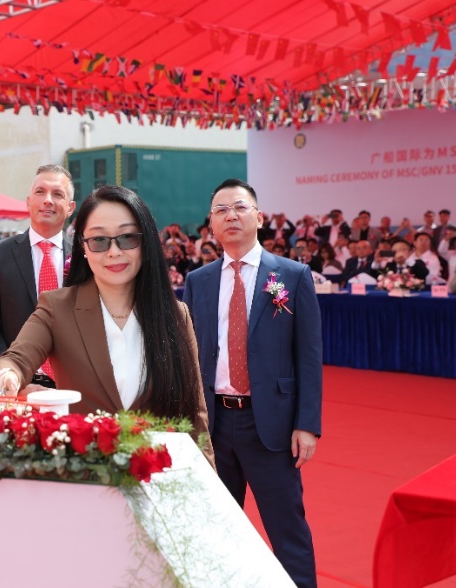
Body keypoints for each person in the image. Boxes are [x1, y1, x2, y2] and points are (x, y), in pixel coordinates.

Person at [0, 185, 214, 468]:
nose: (113, 252)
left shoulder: (175, 315)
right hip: (85, 478)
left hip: (160, 478)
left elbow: (196, 415)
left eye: (127, 238)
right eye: (99, 240)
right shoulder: (56, 308)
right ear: (83, 247)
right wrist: (9, 378)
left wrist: (209, 488)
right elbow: (15, 359)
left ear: (145, 243)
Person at [183, 178, 322, 588]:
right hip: (214, 426)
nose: (231, 216)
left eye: (239, 207)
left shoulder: (292, 276)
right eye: (221, 210)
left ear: (259, 217)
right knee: (214, 529)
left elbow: (309, 356)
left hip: (272, 426)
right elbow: (188, 354)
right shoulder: (199, 281)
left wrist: (307, 423)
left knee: (287, 530)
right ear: (211, 224)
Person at [0, 164, 75, 378]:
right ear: (28, 202)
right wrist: (11, 374)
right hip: (15, 381)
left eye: (58, 194)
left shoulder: (86, 256)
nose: (48, 200)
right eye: (40, 192)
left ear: (70, 207)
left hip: (73, 383)